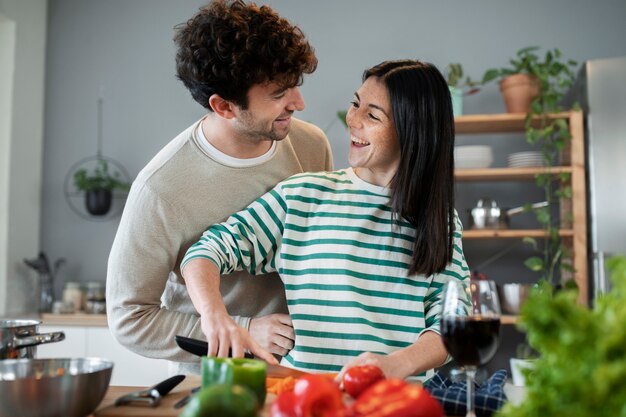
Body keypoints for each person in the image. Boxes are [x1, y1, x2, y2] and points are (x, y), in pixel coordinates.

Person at [180, 59, 470, 380]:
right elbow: (204, 252)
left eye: (372, 115)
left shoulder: (438, 220)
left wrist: (397, 364)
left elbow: (453, 322)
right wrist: (215, 317)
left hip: (395, 401)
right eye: (355, 104)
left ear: (413, 131)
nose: (353, 120)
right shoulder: (302, 196)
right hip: (305, 397)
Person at [106, 0, 333, 374]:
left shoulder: (311, 145)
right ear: (224, 106)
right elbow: (129, 317)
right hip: (217, 384)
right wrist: (241, 332)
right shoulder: (161, 188)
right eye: (278, 94)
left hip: (306, 373)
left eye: (295, 85)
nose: (299, 103)